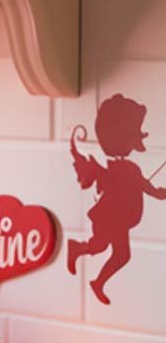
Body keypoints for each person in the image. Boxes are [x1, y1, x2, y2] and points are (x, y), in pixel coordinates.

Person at [68, 94, 166, 305]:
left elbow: (145, 186)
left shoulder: (128, 168)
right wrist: (156, 193)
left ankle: (96, 279)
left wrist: (158, 193)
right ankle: (77, 250)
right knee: (101, 247)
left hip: (119, 221)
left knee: (119, 254)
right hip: (108, 218)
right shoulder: (118, 169)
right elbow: (143, 186)